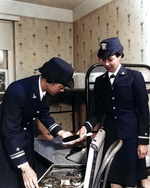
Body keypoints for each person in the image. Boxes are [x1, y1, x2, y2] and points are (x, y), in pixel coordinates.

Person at [77, 37, 149, 188]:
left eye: (110, 59)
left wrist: (143, 142)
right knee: (113, 177)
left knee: (130, 180)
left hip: (131, 137)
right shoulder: (100, 81)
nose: (106, 64)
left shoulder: (134, 77)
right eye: (103, 60)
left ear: (119, 55)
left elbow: (143, 111)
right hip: (111, 135)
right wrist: (87, 126)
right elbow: (98, 110)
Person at [0, 57, 74, 188]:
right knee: (10, 180)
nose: (62, 91)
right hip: (6, 140)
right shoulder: (17, 90)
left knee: (29, 181)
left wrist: (61, 133)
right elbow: (10, 132)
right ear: (51, 81)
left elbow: (43, 114)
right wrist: (25, 168)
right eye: (61, 87)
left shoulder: (44, 91)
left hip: (26, 137)